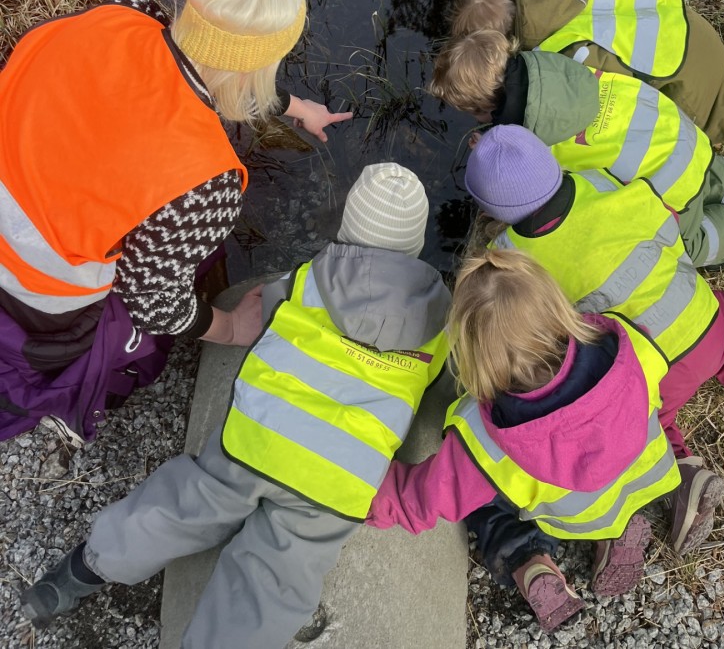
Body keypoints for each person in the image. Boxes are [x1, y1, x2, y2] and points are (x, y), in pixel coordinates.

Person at [20, 162, 450, 649]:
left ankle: (79, 574)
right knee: (275, 580)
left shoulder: (306, 279)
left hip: (258, 437)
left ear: (348, 233)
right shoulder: (443, 324)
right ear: (415, 249)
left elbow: (267, 310)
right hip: (337, 480)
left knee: (189, 502)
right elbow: (436, 381)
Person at [0, 0, 351, 444]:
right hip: (32, 290)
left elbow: (198, 63)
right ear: (261, 64)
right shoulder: (206, 182)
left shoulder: (117, 17)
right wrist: (230, 329)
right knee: (146, 320)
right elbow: (153, 300)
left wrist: (295, 106)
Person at [463, 125, 724, 555]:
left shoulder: (513, 258)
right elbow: (669, 234)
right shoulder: (600, 182)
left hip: (653, 370)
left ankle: (684, 472)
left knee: (646, 418)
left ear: (491, 209)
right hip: (705, 326)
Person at [367, 248, 680, 632]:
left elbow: (420, 499)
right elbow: (661, 395)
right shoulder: (628, 342)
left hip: (573, 515)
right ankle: (617, 531)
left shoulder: (485, 441)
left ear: (471, 353)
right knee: (606, 481)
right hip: (640, 475)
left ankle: (529, 562)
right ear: (556, 305)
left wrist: (351, 487)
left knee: (485, 502)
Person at [430, 30, 724, 267]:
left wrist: (498, 150)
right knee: (713, 175)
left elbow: (546, 185)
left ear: (481, 109)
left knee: (684, 245)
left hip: (666, 182)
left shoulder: (538, 141)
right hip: (680, 134)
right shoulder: (557, 67)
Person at [446, 0, 724, 144]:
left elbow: (609, 97)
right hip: (689, 30)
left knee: (715, 121)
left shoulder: (563, 54)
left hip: (673, 74)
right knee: (717, 61)